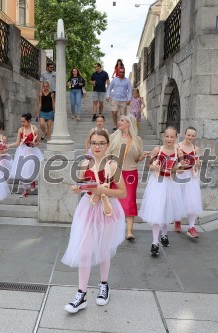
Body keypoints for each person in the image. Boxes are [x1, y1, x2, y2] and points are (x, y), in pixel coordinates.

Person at [62, 129, 126, 314]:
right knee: (84, 251)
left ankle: (104, 285)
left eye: (101, 143)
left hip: (107, 209)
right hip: (87, 208)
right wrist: (77, 187)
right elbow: (81, 183)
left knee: (104, 249)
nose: (97, 146)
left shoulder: (113, 165)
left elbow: (123, 192)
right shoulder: (85, 163)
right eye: (94, 143)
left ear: (107, 145)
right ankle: (81, 294)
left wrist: (102, 191)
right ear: (89, 144)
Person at [138, 127, 185, 256]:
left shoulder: (178, 151)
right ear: (164, 136)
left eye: (172, 137)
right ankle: (154, 243)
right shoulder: (157, 150)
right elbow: (148, 164)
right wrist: (153, 166)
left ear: (176, 138)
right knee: (157, 211)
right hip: (158, 183)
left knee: (167, 210)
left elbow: (182, 168)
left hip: (171, 184)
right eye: (167, 136)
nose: (169, 139)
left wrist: (177, 169)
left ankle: (164, 235)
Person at [108, 115, 148, 240]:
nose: (119, 122)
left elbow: (137, 158)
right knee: (114, 201)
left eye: (122, 120)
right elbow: (108, 155)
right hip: (116, 173)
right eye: (119, 120)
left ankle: (129, 231)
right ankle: (113, 228)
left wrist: (143, 156)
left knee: (130, 200)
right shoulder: (113, 137)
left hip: (131, 173)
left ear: (129, 123)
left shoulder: (137, 140)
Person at [174, 127, 202, 238]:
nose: (190, 137)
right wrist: (180, 166)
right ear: (184, 134)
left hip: (191, 177)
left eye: (193, 135)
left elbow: (198, 162)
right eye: (189, 135)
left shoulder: (196, 148)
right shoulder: (177, 147)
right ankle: (177, 221)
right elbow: (174, 162)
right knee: (178, 199)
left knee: (192, 201)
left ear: (195, 137)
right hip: (180, 176)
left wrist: (196, 164)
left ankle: (191, 227)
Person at [8, 113, 43, 198]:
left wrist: (33, 144)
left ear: (29, 121)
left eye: (24, 121)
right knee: (22, 170)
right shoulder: (20, 130)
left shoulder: (35, 129)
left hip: (32, 151)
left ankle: (33, 181)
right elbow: (17, 142)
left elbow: (38, 142)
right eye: (21, 121)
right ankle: (25, 190)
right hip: (22, 151)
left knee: (31, 168)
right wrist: (9, 145)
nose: (22, 123)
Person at [106, 67, 132, 132]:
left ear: (124, 72)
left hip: (124, 100)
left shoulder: (127, 81)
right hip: (115, 99)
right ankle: (115, 126)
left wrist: (129, 99)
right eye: (120, 72)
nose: (121, 73)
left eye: (122, 72)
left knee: (123, 115)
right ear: (118, 72)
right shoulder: (114, 80)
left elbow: (130, 91)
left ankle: (122, 127)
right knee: (114, 112)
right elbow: (109, 88)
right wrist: (108, 96)